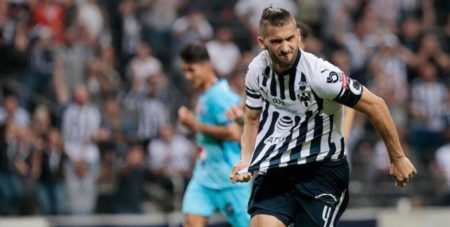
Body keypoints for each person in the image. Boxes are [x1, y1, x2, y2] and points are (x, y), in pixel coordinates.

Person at [230, 7, 417, 227]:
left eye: (290, 39)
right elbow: (252, 119)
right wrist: (246, 158)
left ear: (299, 35)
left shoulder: (321, 75)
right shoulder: (256, 70)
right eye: (277, 41)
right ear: (262, 42)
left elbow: (376, 104)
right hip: (276, 166)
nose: (286, 48)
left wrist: (397, 158)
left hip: (321, 171)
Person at [177, 43, 251, 227]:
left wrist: (195, 124)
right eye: (185, 70)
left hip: (229, 178)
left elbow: (235, 133)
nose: (187, 76)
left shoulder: (220, 95)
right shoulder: (205, 94)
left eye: (191, 70)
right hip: (204, 176)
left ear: (207, 67)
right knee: (191, 222)